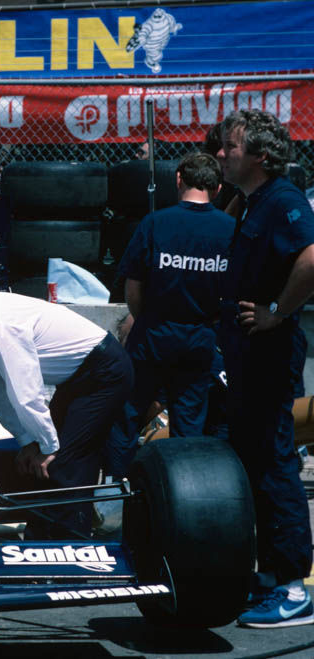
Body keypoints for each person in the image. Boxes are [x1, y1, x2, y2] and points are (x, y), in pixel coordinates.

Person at [0, 282, 133, 538]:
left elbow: (26, 394)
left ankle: (68, 545)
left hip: (103, 372)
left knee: (63, 461)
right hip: (79, 376)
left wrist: (47, 447)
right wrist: (28, 441)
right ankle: (47, 529)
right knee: (52, 457)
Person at [215, 109, 314, 628]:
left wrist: (277, 311)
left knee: (276, 463)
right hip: (244, 356)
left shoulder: (283, 201)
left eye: (231, 146)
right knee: (253, 461)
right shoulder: (252, 202)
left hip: (270, 355)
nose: (221, 154)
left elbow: (313, 259)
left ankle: (295, 586)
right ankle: (273, 573)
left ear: (260, 155)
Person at [115, 153, 233, 460]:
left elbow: (133, 286)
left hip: (153, 332)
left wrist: (146, 320)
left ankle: (114, 492)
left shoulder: (155, 223)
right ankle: (186, 495)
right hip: (200, 336)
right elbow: (234, 291)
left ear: (178, 179)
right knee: (189, 423)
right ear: (218, 189)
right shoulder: (230, 229)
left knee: (126, 415)